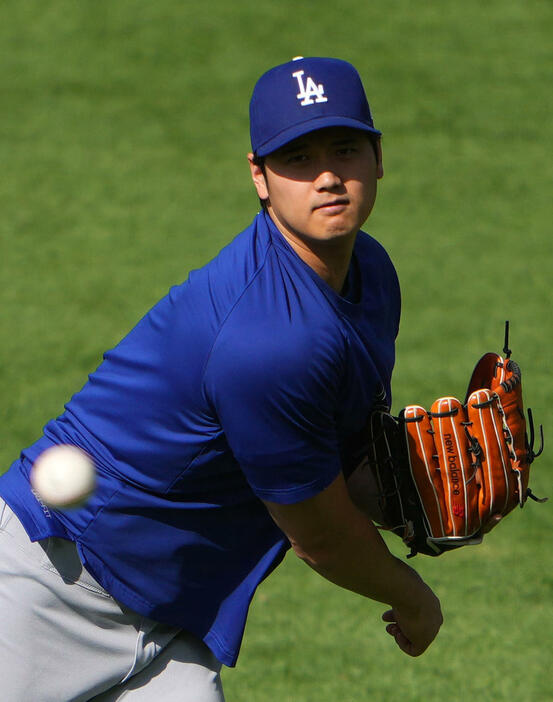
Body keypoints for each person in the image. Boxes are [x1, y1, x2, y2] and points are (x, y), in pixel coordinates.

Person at [0, 56, 442, 701]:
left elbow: (335, 456)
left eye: (345, 149)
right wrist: (415, 598)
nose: (327, 177)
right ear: (260, 177)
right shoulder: (269, 339)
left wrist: (421, 497)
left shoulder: (370, 275)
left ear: (378, 158)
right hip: (50, 589)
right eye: (297, 158)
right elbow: (318, 533)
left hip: (170, 618)